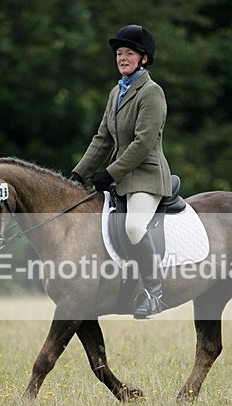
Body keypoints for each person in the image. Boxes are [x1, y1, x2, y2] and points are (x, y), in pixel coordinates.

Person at [69, 24, 171, 319]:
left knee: (134, 227)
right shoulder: (117, 92)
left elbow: (142, 143)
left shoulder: (152, 93)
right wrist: (77, 174)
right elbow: (102, 139)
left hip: (147, 178)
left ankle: (154, 294)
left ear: (144, 58)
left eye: (129, 53)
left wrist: (109, 174)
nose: (122, 57)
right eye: (119, 53)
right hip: (121, 179)